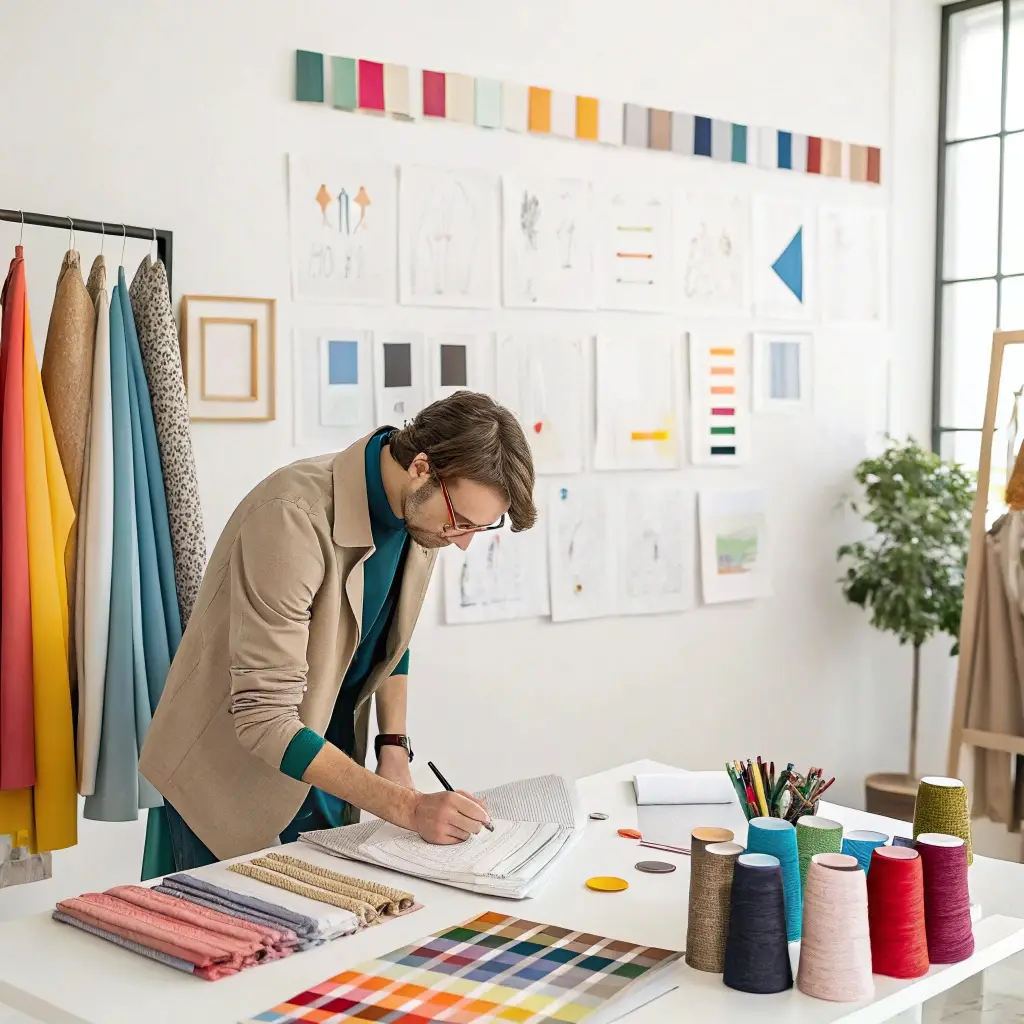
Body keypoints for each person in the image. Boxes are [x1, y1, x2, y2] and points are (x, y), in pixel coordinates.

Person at [139, 390, 537, 870]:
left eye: (480, 528)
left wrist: (393, 746)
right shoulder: (291, 517)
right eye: (462, 523)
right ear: (422, 468)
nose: (465, 543)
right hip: (228, 787)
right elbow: (264, 718)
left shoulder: (425, 518)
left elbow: (393, 636)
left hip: (327, 770)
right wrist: (407, 806)